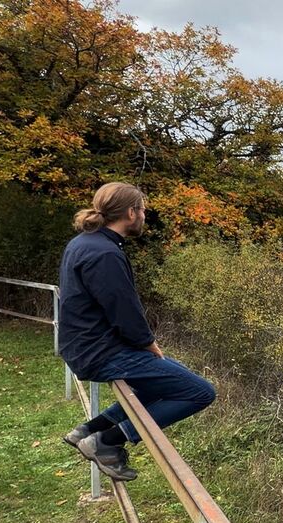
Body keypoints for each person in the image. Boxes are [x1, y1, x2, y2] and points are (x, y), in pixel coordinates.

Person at [57, 182, 216, 481]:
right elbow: (123, 310)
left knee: (173, 376)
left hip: (86, 345)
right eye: (142, 209)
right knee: (200, 391)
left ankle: (89, 429)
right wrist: (147, 343)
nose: (144, 215)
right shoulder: (105, 253)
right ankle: (107, 442)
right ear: (131, 213)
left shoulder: (84, 242)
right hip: (101, 351)